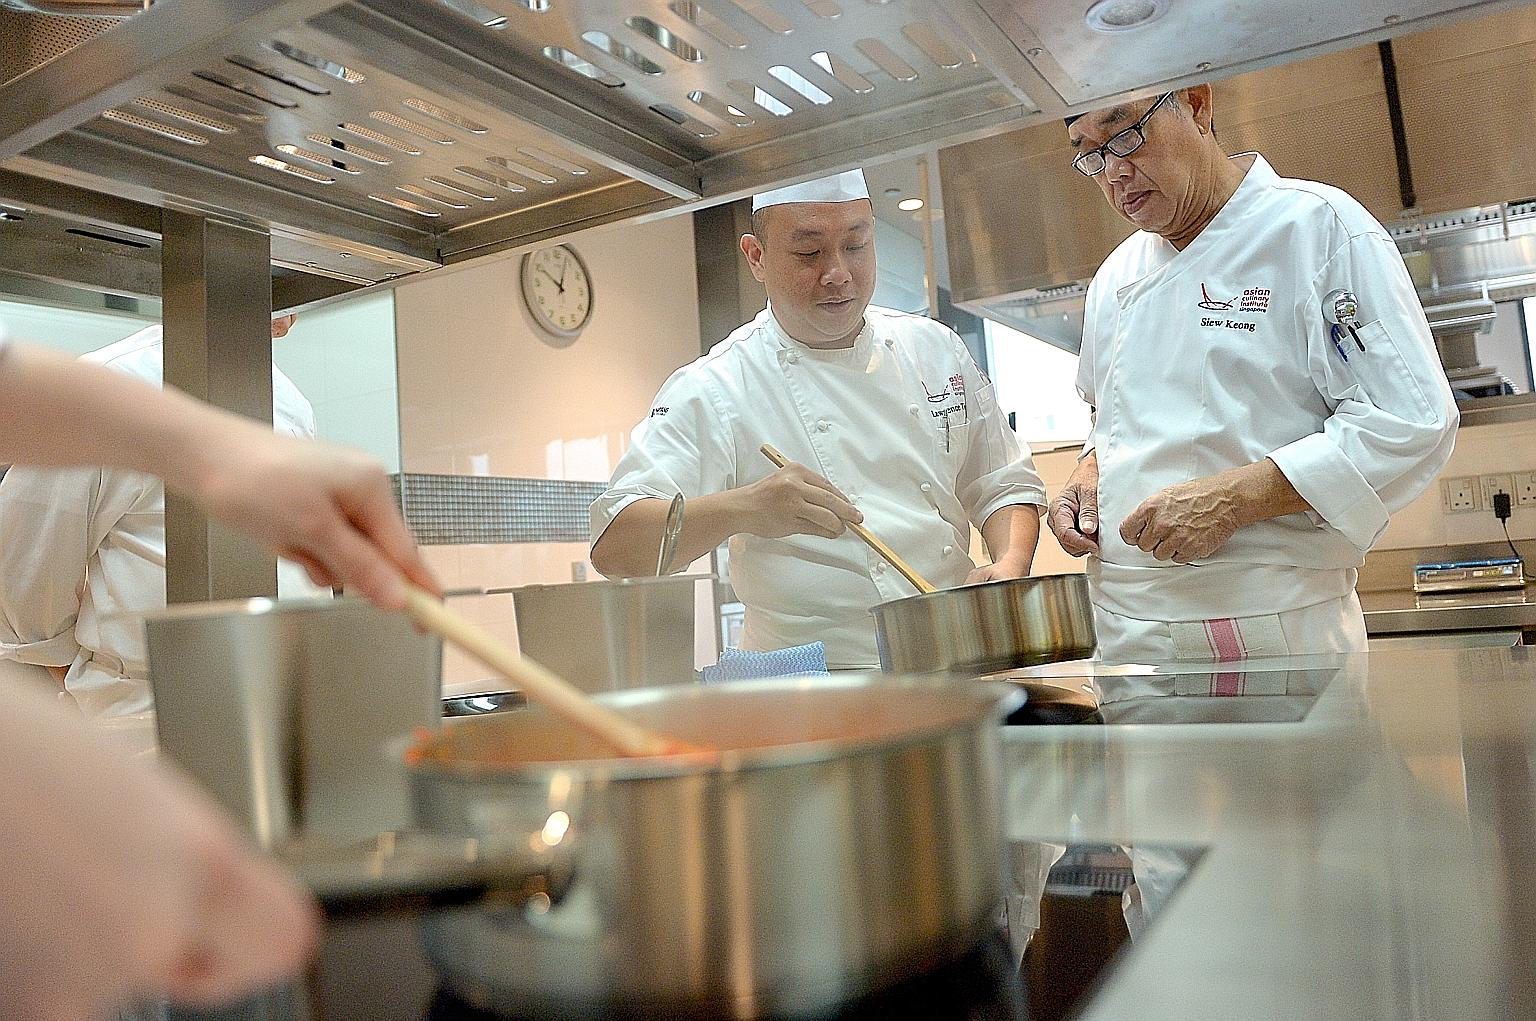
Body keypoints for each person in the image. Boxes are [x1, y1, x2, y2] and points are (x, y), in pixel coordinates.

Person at [0, 327, 440, 1021]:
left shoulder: (289, 403)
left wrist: (212, 452)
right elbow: (21, 604)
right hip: (134, 747)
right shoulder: (114, 377)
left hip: (270, 764)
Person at [1047, 86, 1457, 663]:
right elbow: (1107, 418)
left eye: (1125, 135)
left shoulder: (1316, 227)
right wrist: (1089, 472)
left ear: (1197, 105)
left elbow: (1409, 419)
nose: (1114, 172)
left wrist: (1236, 499)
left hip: (1272, 623)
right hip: (1124, 630)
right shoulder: (1115, 276)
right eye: (1090, 154)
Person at [591, 171, 1046, 668]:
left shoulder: (934, 350)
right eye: (809, 252)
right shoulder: (717, 385)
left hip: (952, 661)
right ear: (756, 257)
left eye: (856, 246)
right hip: (807, 685)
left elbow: (1001, 482)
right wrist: (744, 509)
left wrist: (1010, 563)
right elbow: (616, 547)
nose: (838, 273)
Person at [0, 316, 323, 752]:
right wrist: (86, 687)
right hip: (139, 724)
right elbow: (23, 574)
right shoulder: (110, 383)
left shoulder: (291, 402)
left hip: (276, 712)